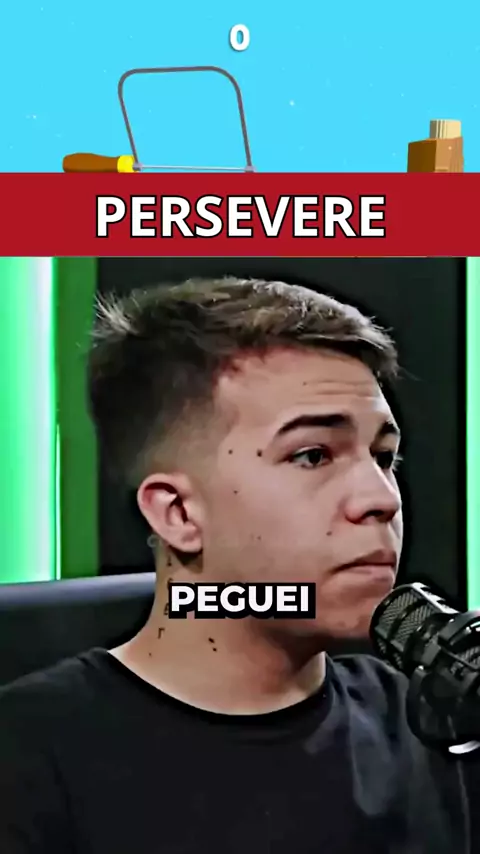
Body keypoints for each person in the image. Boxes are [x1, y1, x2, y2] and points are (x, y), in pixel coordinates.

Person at [0, 277, 476, 854]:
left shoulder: (434, 725)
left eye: (383, 457)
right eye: (312, 455)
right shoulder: (28, 759)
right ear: (178, 513)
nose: (381, 499)